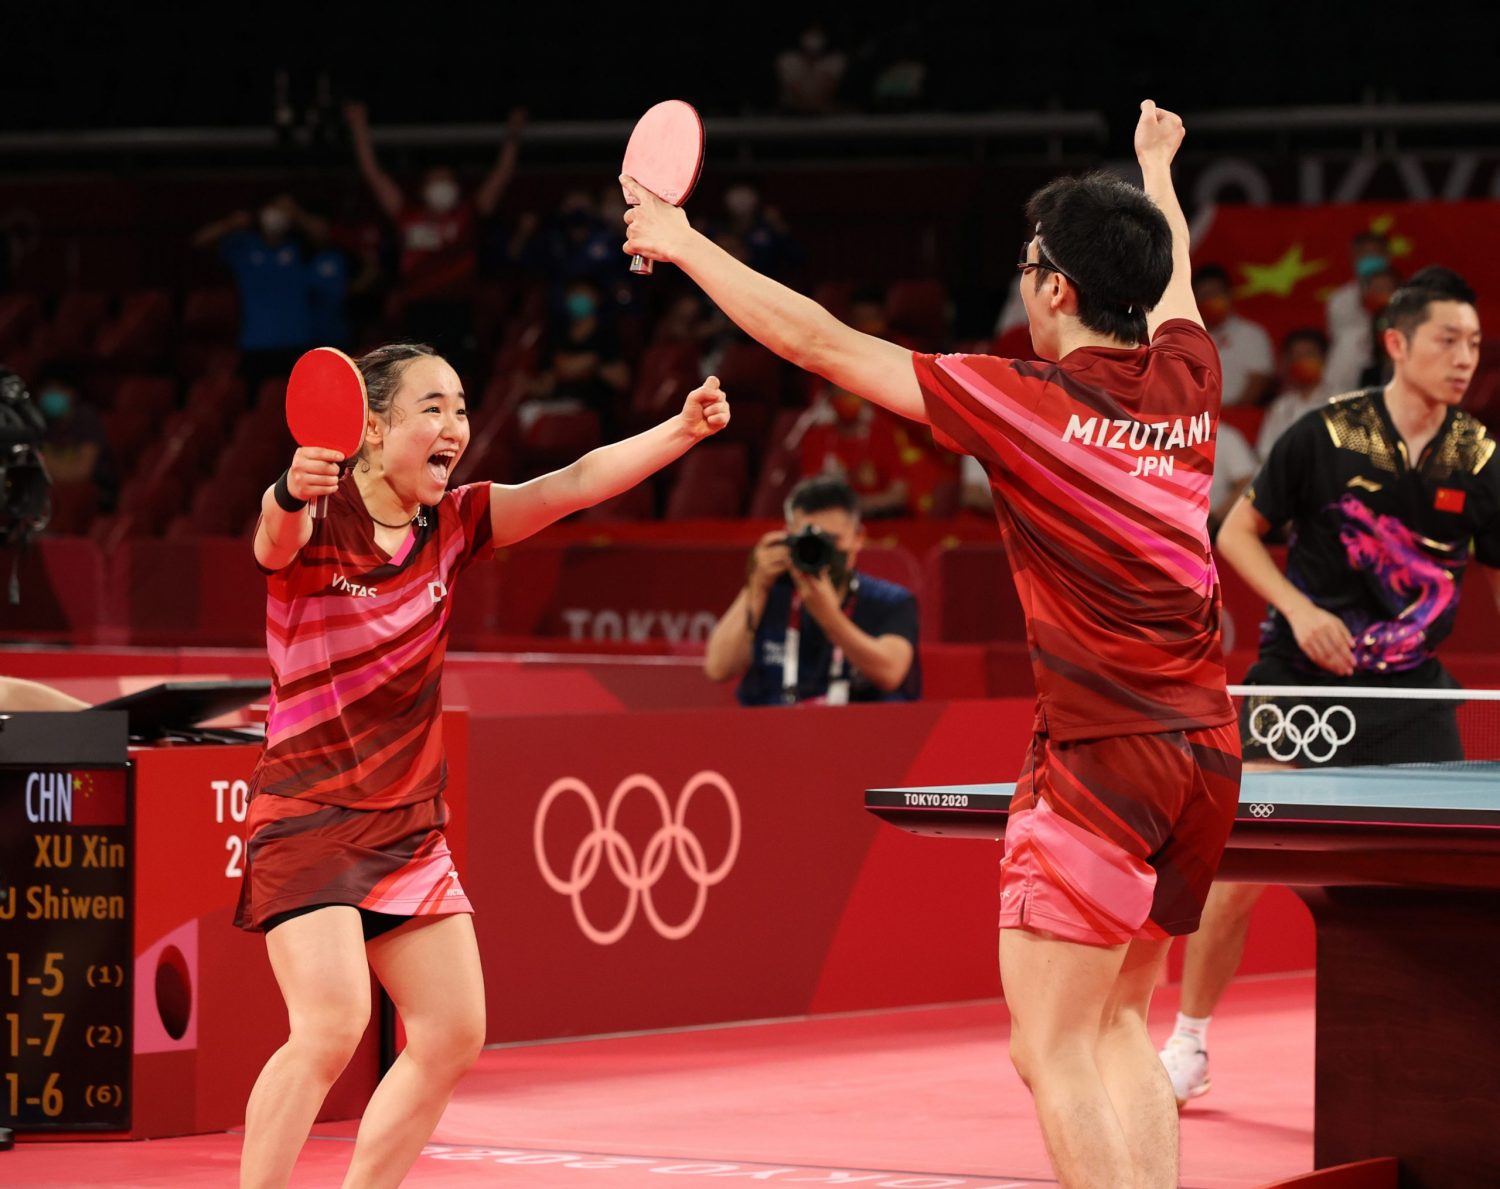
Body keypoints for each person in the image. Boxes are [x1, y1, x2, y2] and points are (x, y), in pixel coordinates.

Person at [627, 99, 1239, 1188]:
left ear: (1055, 288)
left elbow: (815, 339)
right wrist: (1156, 167)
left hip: (1102, 758)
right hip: (1203, 754)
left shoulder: (1024, 402)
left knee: (1049, 1045)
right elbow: (1179, 276)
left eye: (1028, 263)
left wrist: (680, 243)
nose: (1021, 279)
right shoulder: (1191, 386)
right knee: (1117, 1028)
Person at [234, 341, 729, 1187]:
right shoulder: (319, 514)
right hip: (310, 813)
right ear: (372, 426)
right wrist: (288, 490)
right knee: (330, 1022)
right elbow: (270, 545)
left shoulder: (454, 523)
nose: (455, 426)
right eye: (432, 408)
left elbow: (570, 484)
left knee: (454, 1032)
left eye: (461, 408)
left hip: (407, 825)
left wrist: (677, 433)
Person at [1163, 266, 1493, 1106]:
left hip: (1411, 692)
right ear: (1396, 343)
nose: (1464, 359)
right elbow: (1237, 534)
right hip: (1301, 685)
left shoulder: (1482, 457)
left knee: (1448, 874)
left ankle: (1439, 1048)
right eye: (1447, 341)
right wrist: (1300, 610)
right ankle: (1189, 1043)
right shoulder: (1324, 434)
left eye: (1475, 344)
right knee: (1239, 870)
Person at [704, 475, 920, 705]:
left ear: (858, 538)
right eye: (807, 539)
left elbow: (890, 673)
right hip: (772, 734)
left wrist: (829, 618)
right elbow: (718, 668)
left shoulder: (891, 601)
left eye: (830, 540)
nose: (820, 550)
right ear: (788, 536)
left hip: (860, 735)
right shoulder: (771, 594)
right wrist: (756, 586)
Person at [346, 102, 525, 372]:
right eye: (435, 181)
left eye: (447, 181)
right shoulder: (407, 214)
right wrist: (358, 127)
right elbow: (374, 174)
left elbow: (502, 174)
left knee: (457, 377)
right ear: (424, 188)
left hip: (458, 309)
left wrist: (514, 132)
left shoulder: (468, 215)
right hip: (417, 309)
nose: (441, 187)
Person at [1193, 264, 1274, 407]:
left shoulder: (1252, 334)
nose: (1211, 300)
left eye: (1215, 294)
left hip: (1237, 415)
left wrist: (1233, 414)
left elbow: (1259, 381)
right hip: (1194, 419)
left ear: (1229, 294)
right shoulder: (1186, 337)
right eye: (1204, 296)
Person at [1254, 327, 1334, 458]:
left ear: (1324, 358)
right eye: (1296, 356)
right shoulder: (1280, 406)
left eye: (1309, 355)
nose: (1302, 361)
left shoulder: (1343, 401)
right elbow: (1266, 452)